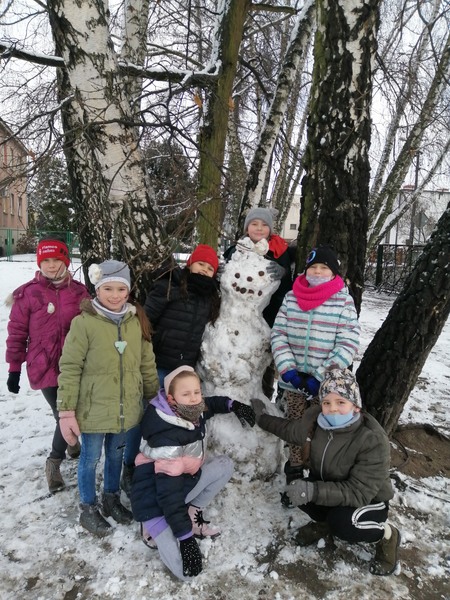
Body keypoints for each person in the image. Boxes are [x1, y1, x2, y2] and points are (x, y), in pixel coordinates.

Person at [251, 369, 400, 576]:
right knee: (298, 493)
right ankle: (325, 524)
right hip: (332, 488)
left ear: (355, 406)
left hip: (368, 500)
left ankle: (387, 534)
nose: (333, 409)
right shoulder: (317, 422)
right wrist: (261, 418)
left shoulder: (371, 439)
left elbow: (358, 492)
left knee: (343, 524)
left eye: (341, 402)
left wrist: (314, 491)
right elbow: (289, 430)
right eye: (327, 402)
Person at [57, 260, 159, 537]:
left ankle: (111, 497)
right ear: (97, 290)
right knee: (90, 458)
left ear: (128, 291)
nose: (115, 296)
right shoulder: (83, 323)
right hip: (93, 409)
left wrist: (153, 397)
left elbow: (147, 363)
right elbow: (70, 367)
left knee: (116, 455)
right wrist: (66, 410)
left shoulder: (135, 322)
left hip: (126, 408)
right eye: (108, 289)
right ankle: (88, 508)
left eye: (121, 289)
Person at [130, 366, 256, 580]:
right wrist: (186, 539)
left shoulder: (190, 410)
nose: (194, 398)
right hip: (154, 502)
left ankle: (190, 515)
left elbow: (210, 404)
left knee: (224, 465)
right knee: (186, 574)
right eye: (186, 394)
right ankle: (151, 527)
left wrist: (234, 405)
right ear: (171, 399)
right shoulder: (166, 436)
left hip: (181, 484)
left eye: (197, 392)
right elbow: (168, 495)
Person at [5, 237, 91, 493]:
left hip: (74, 365)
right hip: (43, 365)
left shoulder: (79, 292)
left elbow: (91, 328)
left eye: (57, 260)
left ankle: (71, 442)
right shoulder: (28, 294)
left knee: (71, 411)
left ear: (66, 261)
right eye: (46, 261)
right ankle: (54, 461)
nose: (51, 265)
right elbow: (17, 333)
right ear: (39, 263)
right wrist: (14, 369)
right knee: (61, 413)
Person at [271, 245, 360, 484]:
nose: (318, 272)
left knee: (323, 429)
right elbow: (278, 333)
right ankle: (295, 472)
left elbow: (348, 342)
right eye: (313, 267)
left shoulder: (343, 300)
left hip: (325, 386)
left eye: (324, 268)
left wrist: (322, 376)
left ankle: (319, 475)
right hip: (294, 381)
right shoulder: (291, 297)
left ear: (333, 273)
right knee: (296, 428)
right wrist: (288, 369)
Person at [223, 207, 293, 328]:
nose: (259, 228)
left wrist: (283, 273)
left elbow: (287, 286)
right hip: (237, 312)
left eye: (264, 225)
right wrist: (220, 273)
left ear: (270, 229)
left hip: (270, 313)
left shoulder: (279, 250)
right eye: (254, 224)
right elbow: (226, 276)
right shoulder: (237, 250)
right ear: (247, 228)